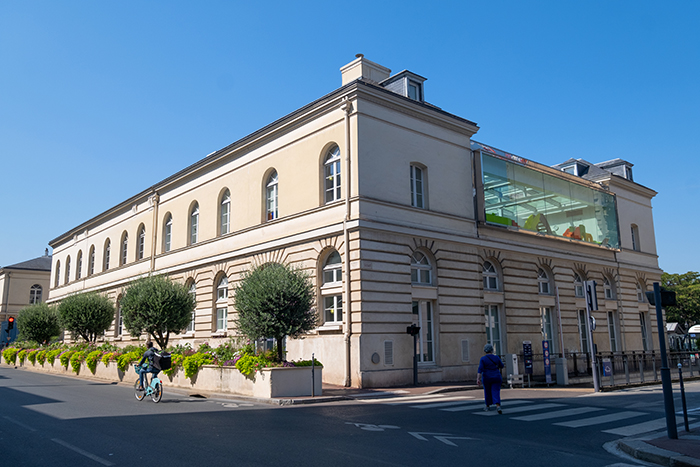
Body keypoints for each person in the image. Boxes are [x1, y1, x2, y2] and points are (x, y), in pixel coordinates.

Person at [477, 343, 504, 414]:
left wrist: (478, 379)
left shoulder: (483, 359)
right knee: (496, 391)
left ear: (485, 350)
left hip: (487, 377)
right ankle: (498, 406)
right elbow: (502, 366)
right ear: (492, 350)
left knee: (487, 391)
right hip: (496, 376)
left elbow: (480, 369)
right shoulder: (497, 357)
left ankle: (487, 406)